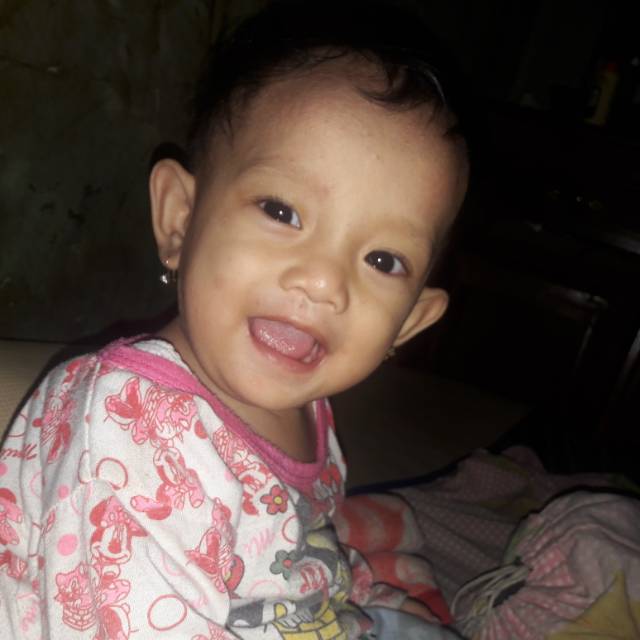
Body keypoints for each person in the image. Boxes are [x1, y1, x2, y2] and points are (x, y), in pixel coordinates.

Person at [0, 1, 469, 637]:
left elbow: (299, 550)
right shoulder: (129, 428)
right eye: (281, 211)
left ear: (409, 323)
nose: (323, 281)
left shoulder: (310, 413)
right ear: (180, 220)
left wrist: (360, 591)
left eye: (382, 259)